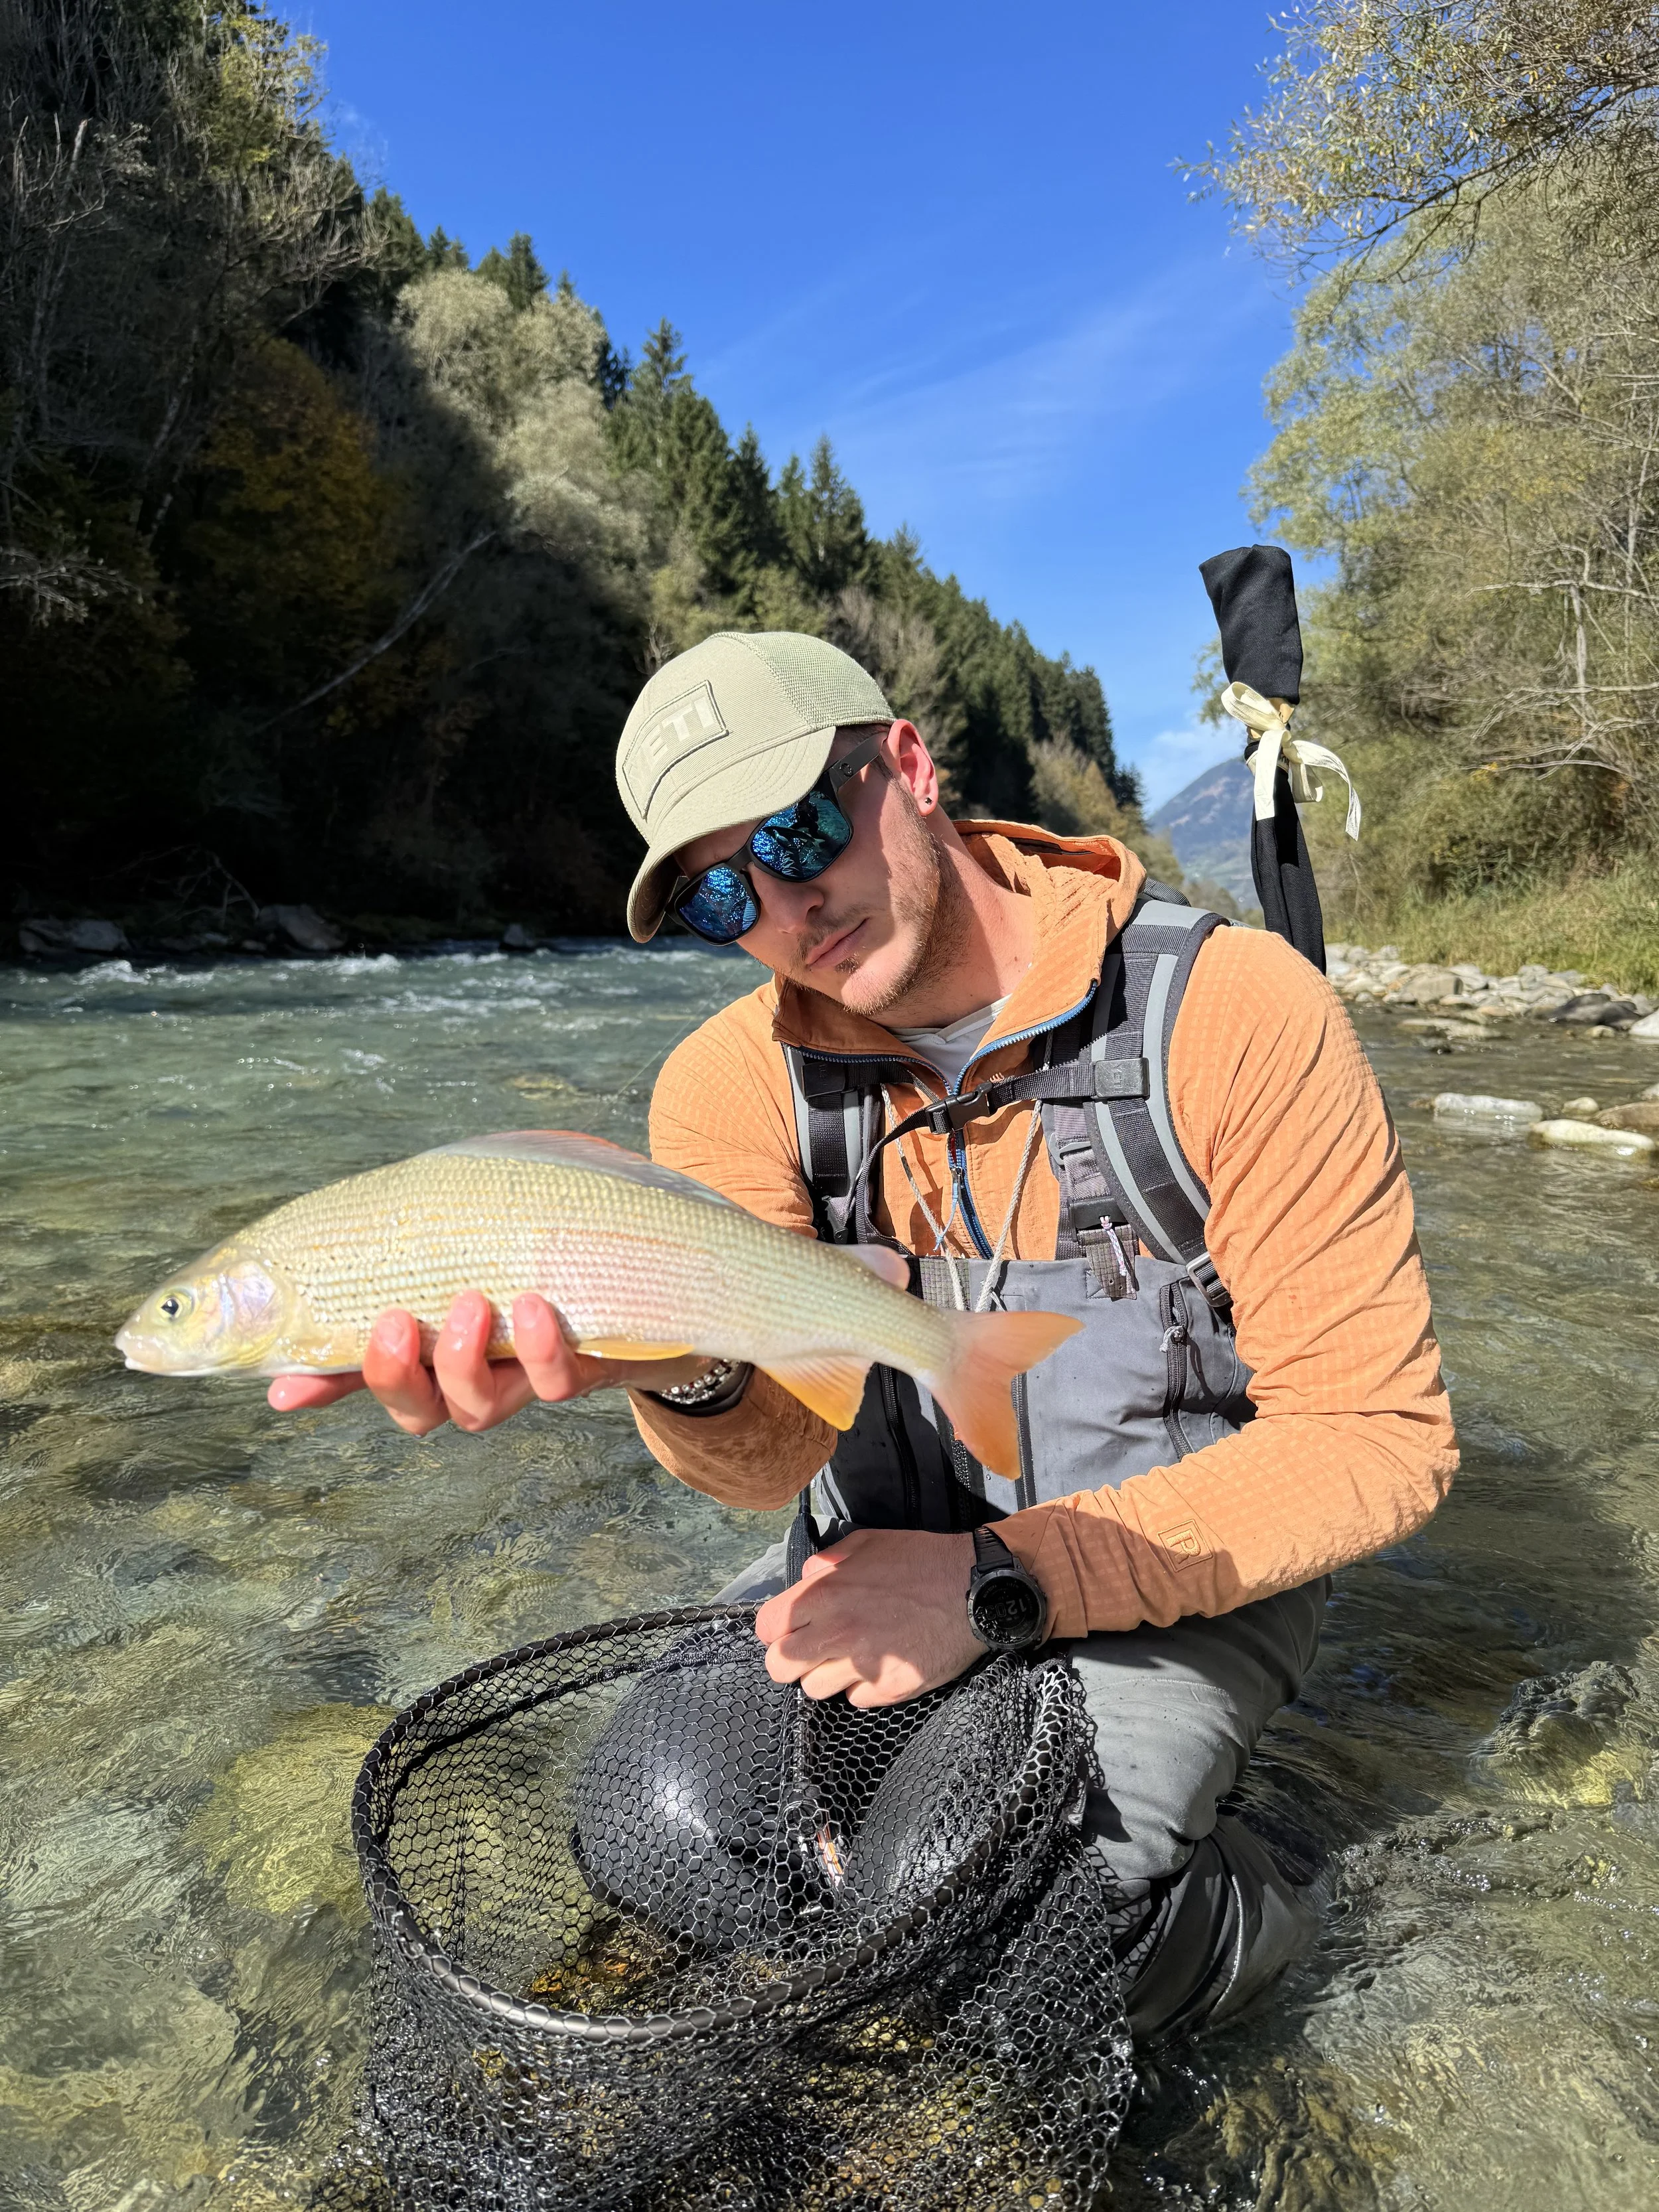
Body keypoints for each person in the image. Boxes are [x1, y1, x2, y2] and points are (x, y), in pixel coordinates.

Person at [273, 630, 1457, 2035]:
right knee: (660, 1830)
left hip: (1186, 1560)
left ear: (907, 763)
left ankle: (1277, 1886)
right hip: (873, 1558)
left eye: (796, 829)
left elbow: (1377, 1440)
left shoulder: (1235, 1011)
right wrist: (692, 1368)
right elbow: (772, 1462)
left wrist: (993, 1581)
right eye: (722, 892)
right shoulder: (728, 1085)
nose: (786, 904)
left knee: (996, 1918)